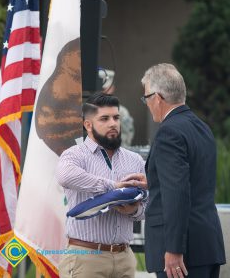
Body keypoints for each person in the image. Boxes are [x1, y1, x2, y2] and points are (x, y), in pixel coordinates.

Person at [131, 63, 226, 278]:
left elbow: (178, 194)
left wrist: (174, 249)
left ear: (158, 97)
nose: (146, 103)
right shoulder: (201, 127)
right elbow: (195, 179)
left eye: (146, 97)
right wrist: (153, 181)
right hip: (207, 246)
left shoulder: (169, 133)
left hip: (180, 257)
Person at [56, 93, 146, 278]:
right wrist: (113, 187)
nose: (113, 123)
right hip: (86, 258)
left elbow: (151, 204)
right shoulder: (74, 155)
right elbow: (65, 176)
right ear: (88, 125)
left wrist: (133, 210)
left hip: (125, 258)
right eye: (104, 118)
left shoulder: (135, 160)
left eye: (116, 117)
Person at [99, 69, 135, 147]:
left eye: (106, 89)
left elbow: (128, 134)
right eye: (101, 90)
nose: (102, 93)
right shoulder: (88, 110)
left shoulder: (121, 111)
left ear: (112, 88)